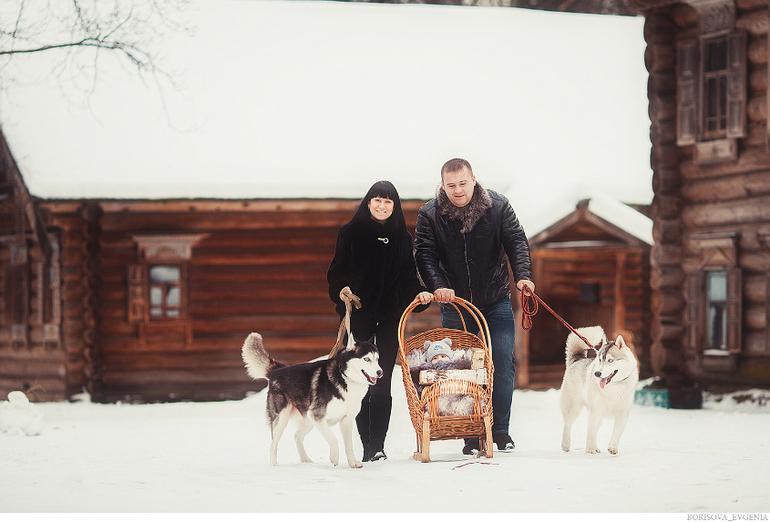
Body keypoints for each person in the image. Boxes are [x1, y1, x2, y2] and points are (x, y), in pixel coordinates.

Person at [414, 158, 535, 455]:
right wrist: (438, 284)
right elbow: (424, 254)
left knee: (502, 363)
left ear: (474, 180)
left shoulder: (498, 206)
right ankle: (471, 434)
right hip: (456, 305)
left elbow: (516, 241)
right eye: (451, 185)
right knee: (462, 368)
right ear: (443, 185)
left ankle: (501, 431)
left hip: (495, 300)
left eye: (463, 183)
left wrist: (523, 276)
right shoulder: (429, 214)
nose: (458, 190)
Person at [327, 180, 432, 462]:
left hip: (389, 317)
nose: (382, 206)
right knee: (360, 382)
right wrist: (343, 289)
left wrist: (419, 293)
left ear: (394, 206)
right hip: (359, 315)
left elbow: (408, 278)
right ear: (368, 202)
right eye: (377, 200)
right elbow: (339, 269)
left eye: (388, 201)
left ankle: (377, 447)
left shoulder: (402, 237)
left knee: (381, 381)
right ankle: (364, 445)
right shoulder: (350, 233)